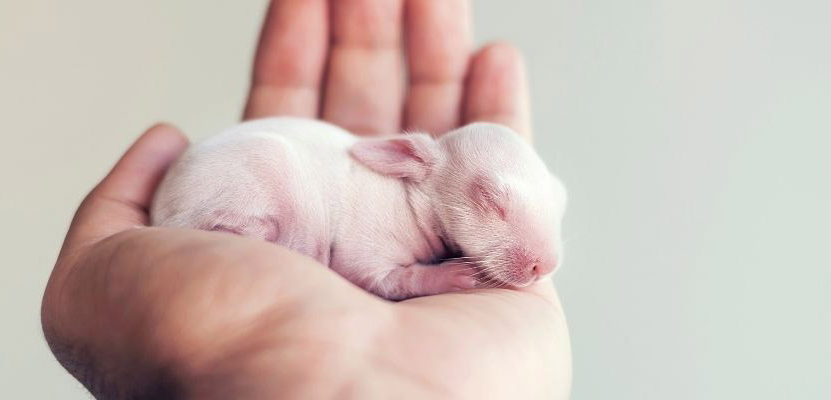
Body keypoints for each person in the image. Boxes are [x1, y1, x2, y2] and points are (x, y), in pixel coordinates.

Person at [40, 1, 571, 398]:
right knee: (271, 162)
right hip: (228, 186)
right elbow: (373, 269)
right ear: (413, 162)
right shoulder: (390, 199)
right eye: (494, 206)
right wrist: (422, 280)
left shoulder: (421, 205)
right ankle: (231, 229)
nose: (542, 264)